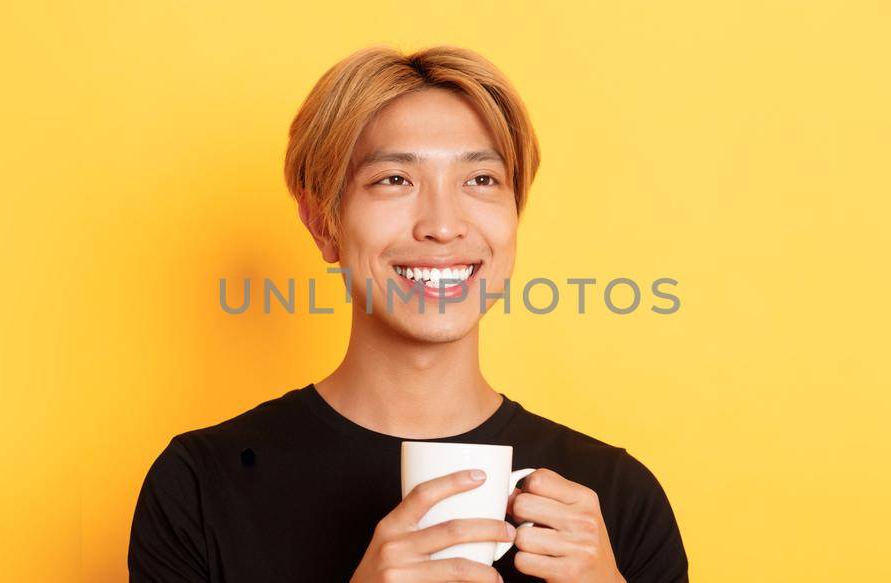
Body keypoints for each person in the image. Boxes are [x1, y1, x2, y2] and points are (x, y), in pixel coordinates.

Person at [129, 45, 689, 582]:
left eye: (480, 180)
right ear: (323, 223)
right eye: (394, 179)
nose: (443, 225)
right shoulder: (199, 485)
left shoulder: (615, 502)